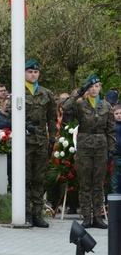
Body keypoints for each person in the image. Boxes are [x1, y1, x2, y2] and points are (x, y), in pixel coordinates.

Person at [62, 74, 115, 229]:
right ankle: (86, 217)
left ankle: (97, 217)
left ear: (100, 88)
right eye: (91, 86)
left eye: (97, 86)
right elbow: (65, 107)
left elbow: (110, 130)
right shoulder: (80, 105)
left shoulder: (106, 107)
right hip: (85, 146)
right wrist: (79, 92)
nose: (94, 89)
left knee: (98, 184)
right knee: (85, 183)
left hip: (101, 147)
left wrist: (111, 149)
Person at [23, 59, 57, 228]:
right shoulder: (19, 92)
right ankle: (26, 213)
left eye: (36, 72)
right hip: (25, 141)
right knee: (25, 178)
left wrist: (53, 138)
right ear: (24, 73)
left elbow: (52, 118)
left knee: (38, 179)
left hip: (41, 141)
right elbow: (10, 115)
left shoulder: (46, 93)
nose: (33, 74)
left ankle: (37, 213)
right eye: (30, 72)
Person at [111, 104, 121, 194]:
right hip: (116, 156)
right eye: (116, 113)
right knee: (116, 182)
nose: (119, 115)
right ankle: (116, 203)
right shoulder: (111, 127)